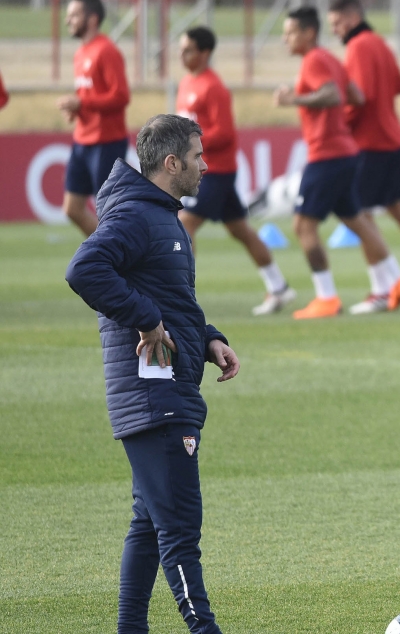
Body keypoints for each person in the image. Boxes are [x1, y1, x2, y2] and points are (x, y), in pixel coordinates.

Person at [65, 114, 240, 634]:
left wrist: (208, 337)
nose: (206, 166)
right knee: (180, 531)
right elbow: (83, 269)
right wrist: (145, 318)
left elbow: (170, 301)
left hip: (167, 389)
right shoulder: (138, 217)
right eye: (198, 155)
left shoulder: (160, 216)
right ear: (171, 163)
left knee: (148, 525)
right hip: (155, 394)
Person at [275, 6, 400, 318]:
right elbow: (356, 94)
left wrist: (293, 100)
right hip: (346, 152)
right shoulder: (332, 59)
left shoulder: (313, 61)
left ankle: (326, 297)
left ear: (309, 33)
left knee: (303, 225)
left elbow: (335, 95)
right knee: (357, 220)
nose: (286, 39)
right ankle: (398, 280)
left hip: (327, 154)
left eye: (291, 33)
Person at [327, 0, 400, 310]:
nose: (334, 30)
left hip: (369, 142)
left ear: (352, 17)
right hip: (392, 135)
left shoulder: (358, 47)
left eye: (337, 23)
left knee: (361, 214)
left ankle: (382, 287)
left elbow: (358, 99)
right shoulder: (380, 43)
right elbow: (398, 86)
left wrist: (339, 123)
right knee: (398, 208)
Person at [176, 26, 296, 316]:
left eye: (188, 50)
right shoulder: (186, 84)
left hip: (215, 170)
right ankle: (279, 287)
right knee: (240, 230)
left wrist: (190, 141)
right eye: (181, 49)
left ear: (205, 53)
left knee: (185, 224)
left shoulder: (212, 86)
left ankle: (181, 297)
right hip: (205, 169)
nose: (182, 55)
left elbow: (226, 133)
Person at [57, 0, 130, 237]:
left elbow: (121, 96)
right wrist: (77, 109)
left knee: (108, 211)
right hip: (83, 139)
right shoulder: (81, 53)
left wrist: (83, 103)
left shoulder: (106, 50)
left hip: (106, 141)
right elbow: (90, 94)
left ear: (92, 19)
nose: (68, 20)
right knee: (72, 208)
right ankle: (111, 252)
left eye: (74, 15)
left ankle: (119, 257)